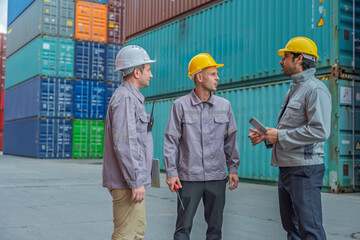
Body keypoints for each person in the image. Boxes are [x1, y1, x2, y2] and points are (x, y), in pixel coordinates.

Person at [248, 37, 331, 240]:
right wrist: (268, 136)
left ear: (299, 58)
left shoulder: (315, 89)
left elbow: (320, 131)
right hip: (287, 169)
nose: (281, 61)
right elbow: (291, 129)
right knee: (291, 229)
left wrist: (281, 135)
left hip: (304, 170)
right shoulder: (293, 90)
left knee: (310, 230)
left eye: (285, 56)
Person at [163, 53, 240, 240]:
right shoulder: (180, 105)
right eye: (213, 74)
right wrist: (171, 172)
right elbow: (170, 141)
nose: (217, 78)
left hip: (216, 177)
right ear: (199, 77)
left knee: (215, 230)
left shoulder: (224, 105)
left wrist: (233, 168)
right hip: (188, 177)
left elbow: (230, 139)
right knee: (183, 228)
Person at [102, 45, 156, 240]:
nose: (150, 75)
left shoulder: (133, 99)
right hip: (127, 183)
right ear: (136, 72)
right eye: (148, 70)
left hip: (133, 182)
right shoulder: (125, 99)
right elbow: (125, 144)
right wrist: (135, 182)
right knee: (125, 235)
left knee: (136, 233)